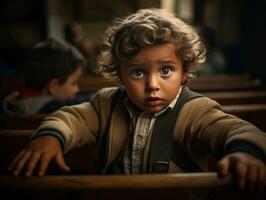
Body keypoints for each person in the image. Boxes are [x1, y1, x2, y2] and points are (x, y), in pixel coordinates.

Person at [9, 8, 266, 191]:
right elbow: (72, 117)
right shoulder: (106, 104)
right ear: (119, 74)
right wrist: (51, 137)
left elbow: (236, 129)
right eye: (138, 72)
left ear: (185, 72)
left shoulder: (196, 111)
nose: (152, 85)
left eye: (166, 70)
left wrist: (246, 152)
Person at [2, 38, 93, 114]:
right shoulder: (51, 109)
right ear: (53, 86)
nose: (77, 89)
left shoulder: (12, 102)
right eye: (74, 83)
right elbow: (92, 100)